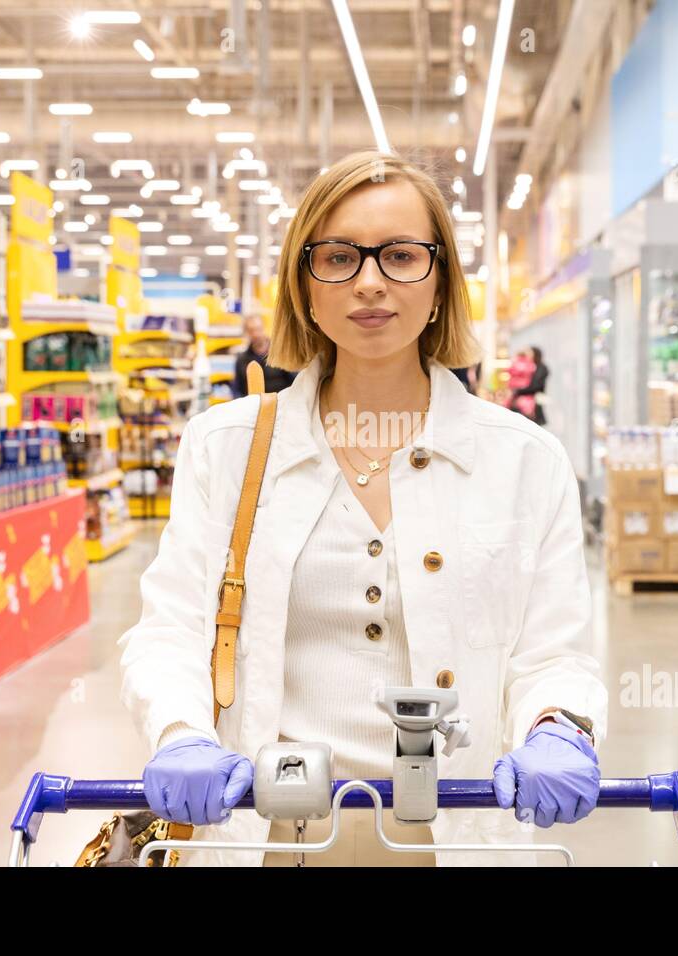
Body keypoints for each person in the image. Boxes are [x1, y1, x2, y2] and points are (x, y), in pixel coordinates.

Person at [118, 150, 607, 867]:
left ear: (440, 283)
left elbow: (553, 649)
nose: (371, 282)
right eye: (339, 257)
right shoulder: (224, 448)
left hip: (453, 837)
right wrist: (181, 730)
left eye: (402, 256)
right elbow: (169, 628)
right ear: (304, 285)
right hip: (271, 837)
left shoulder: (523, 460)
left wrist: (556, 723)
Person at [232, 315, 296, 397]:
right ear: (246, 333)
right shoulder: (241, 359)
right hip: (254, 406)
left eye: (258, 329)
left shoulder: (281, 354)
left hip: (280, 404)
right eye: (251, 331)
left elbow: (294, 382)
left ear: (263, 329)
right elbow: (237, 388)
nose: (255, 334)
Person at [513, 346, 549, 426]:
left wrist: (519, 391)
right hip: (528, 400)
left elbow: (535, 386)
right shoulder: (531, 366)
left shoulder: (541, 368)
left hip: (535, 400)